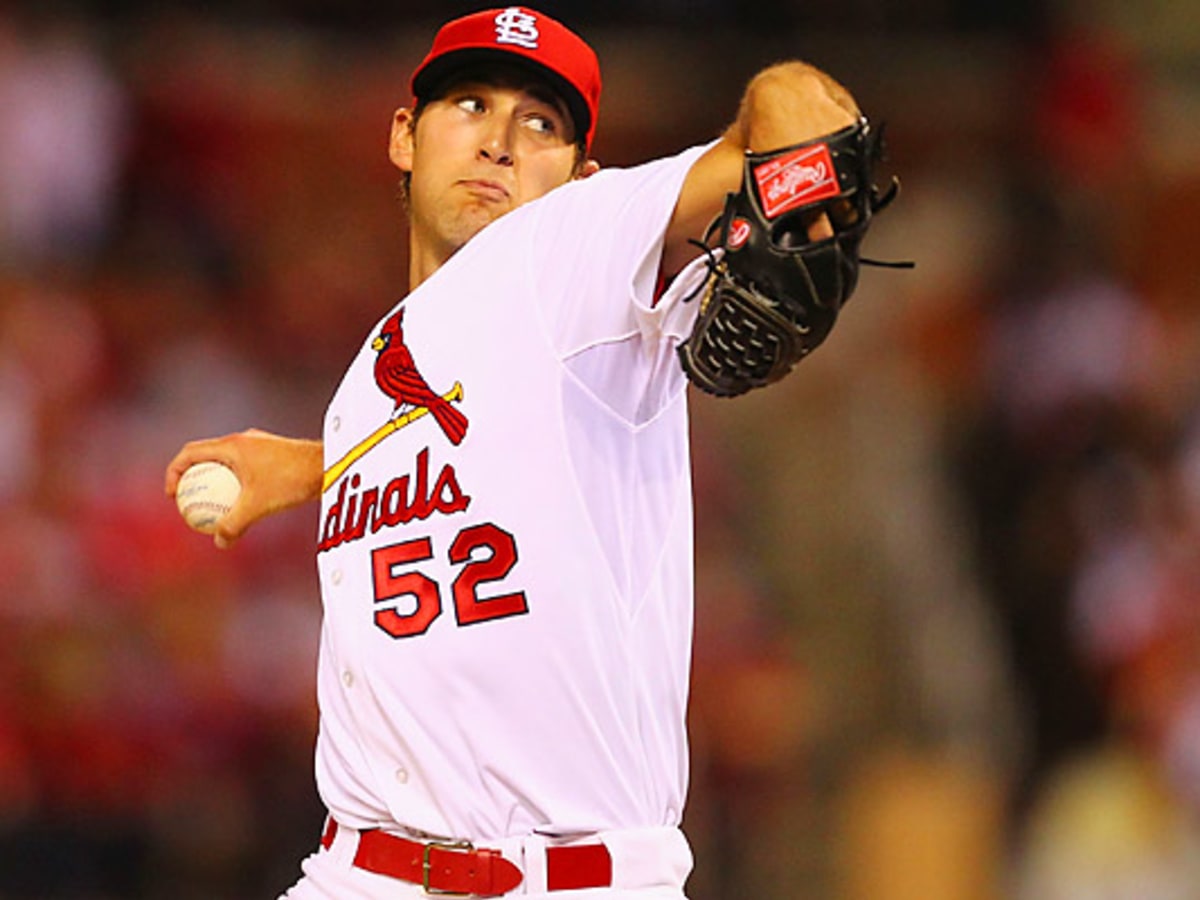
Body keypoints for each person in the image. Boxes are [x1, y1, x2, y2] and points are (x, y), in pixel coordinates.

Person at [165, 7, 887, 897]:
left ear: (581, 174)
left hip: (562, 881)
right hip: (357, 870)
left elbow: (800, 113)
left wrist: (807, 172)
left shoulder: (569, 245)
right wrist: (319, 464)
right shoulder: (379, 365)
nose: (500, 142)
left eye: (540, 122)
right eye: (469, 104)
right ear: (404, 137)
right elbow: (482, 429)